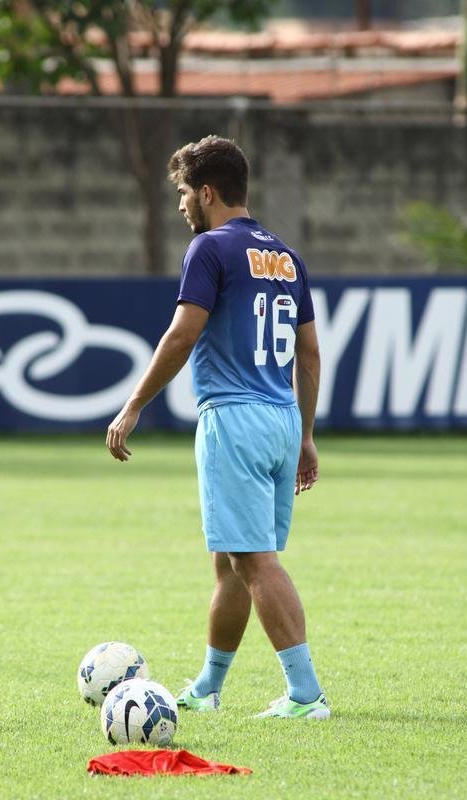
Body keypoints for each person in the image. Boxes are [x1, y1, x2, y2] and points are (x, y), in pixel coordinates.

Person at [106, 135, 329, 720]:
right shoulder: (285, 256)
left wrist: (134, 404)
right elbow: (308, 354)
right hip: (280, 418)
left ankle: (306, 695)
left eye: (183, 192)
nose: (181, 204)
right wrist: (305, 435)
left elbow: (182, 333)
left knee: (255, 561)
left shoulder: (210, 248)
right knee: (231, 561)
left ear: (207, 192)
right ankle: (209, 686)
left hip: (234, 416)